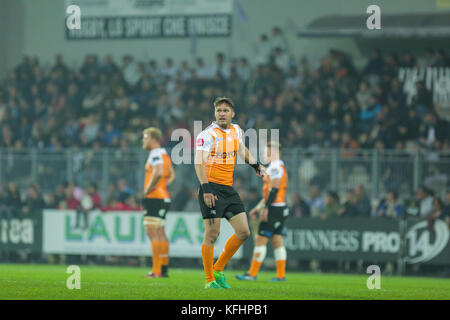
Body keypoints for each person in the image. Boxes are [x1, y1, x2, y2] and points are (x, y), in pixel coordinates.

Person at [194, 97, 266, 289]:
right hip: (210, 188)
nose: (222, 113)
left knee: (244, 232)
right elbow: (198, 162)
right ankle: (210, 280)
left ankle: (218, 269)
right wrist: (206, 188)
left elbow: (241, 150)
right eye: (219, 110)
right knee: (212, 234)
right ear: (214, 113)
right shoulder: (207, 135)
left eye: (226, 110)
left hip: (228, 189)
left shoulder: (236, 130)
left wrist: (256, 165)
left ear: (232, 113)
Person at [236, 141, 289, 282]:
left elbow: (274, 190)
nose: (265, 153)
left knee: (260, 240)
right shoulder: (275, 167)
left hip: (274, 209)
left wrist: (265, 209)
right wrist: (259, 208)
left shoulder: (276, 167)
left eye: (267, 150)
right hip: (279, 207)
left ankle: (252, 274)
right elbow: (269, 191)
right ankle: (280, 275)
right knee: (277, 240)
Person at [141, 127, 176, 278]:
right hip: (164, 196)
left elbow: (159, 172)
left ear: (153, 139)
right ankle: (163, 269)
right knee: (161, 233)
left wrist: (148, 188)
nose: (143, 140)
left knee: (152, 232)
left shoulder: (155, 153)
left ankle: (156, 271)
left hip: (154, 197)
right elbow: (172, 175)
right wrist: (162, 186)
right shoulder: (164, 154)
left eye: (145, 137)